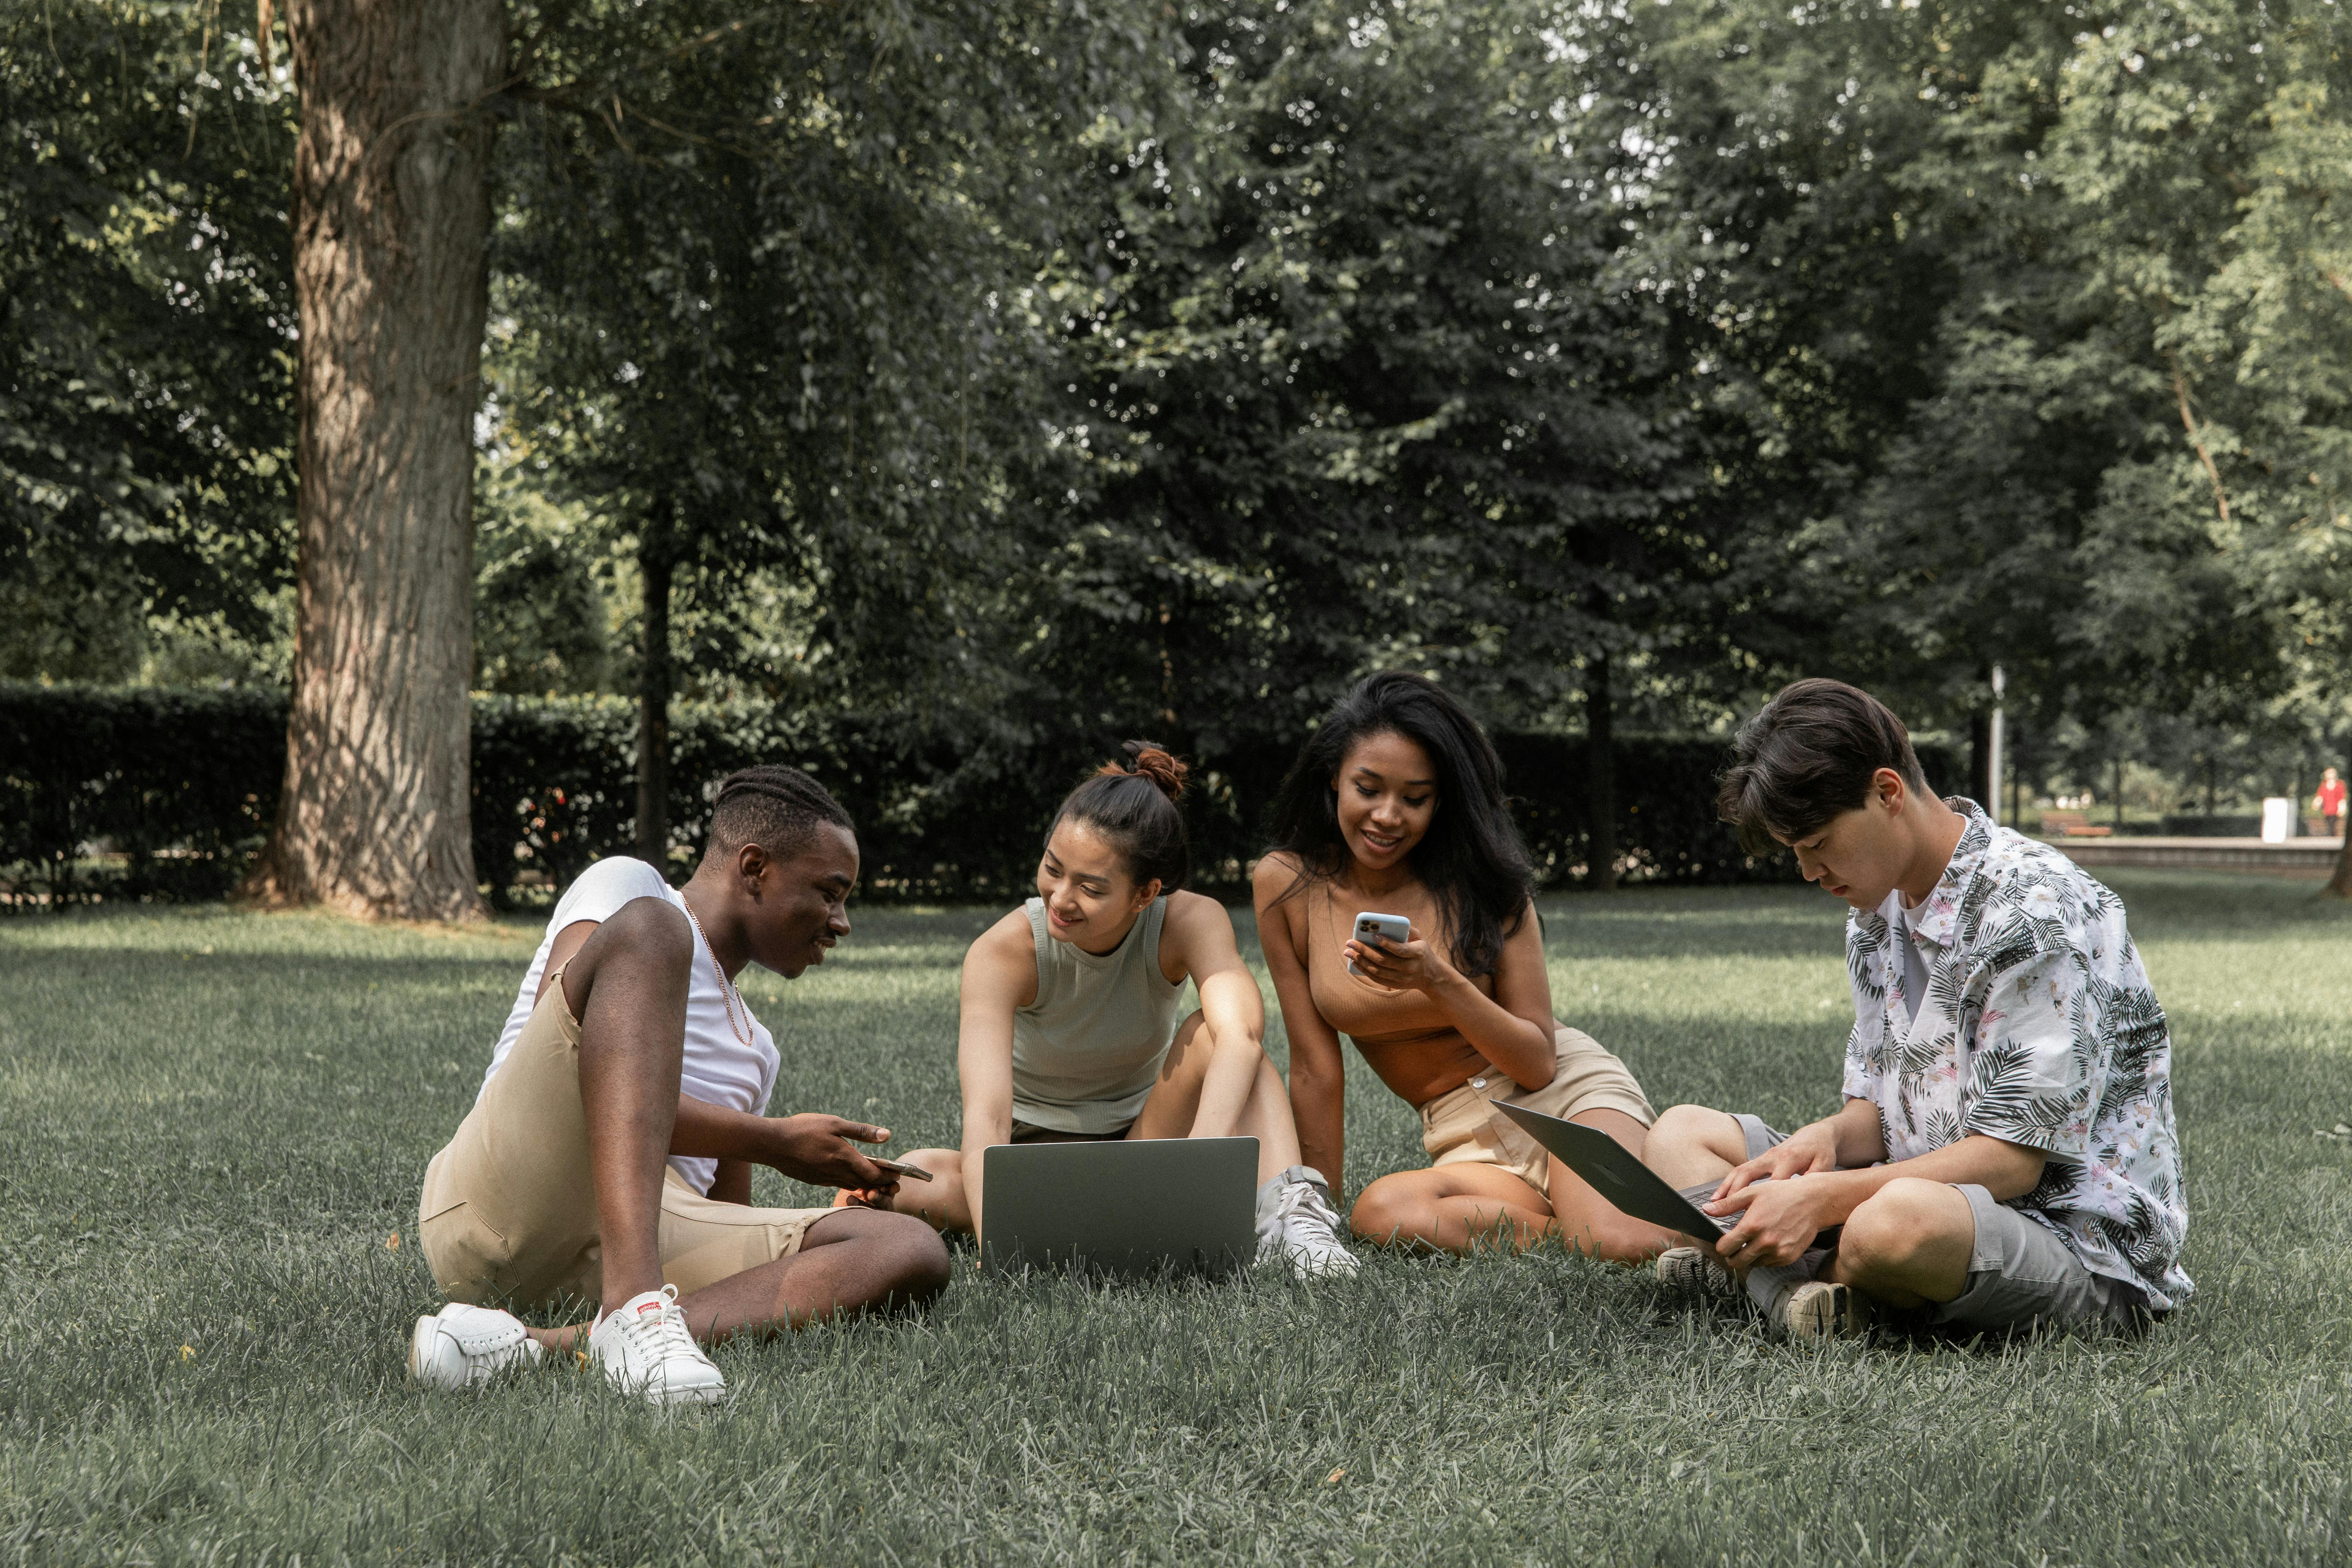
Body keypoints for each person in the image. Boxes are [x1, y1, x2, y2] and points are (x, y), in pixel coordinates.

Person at [1643, 679, 2192, 1339]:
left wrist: (1822, 1199)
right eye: (1797, 854)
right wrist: (1826, 1140)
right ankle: (1800, 1285)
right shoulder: (1875, 910)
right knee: (1679, 1135)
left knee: (1893, 1224)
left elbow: (2012, 1161)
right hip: (1910, 1182)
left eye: (1817, 845)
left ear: (1887, 792)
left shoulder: (2033, 912)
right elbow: (1876, 1109)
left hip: (2068, 1234)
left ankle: (1761, 1271)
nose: (1811, 873)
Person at [406, 766, 952, 1403]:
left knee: (909, 1248)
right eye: (830, 893)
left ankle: (535, 1346)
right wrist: (774, 1142)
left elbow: (729, 1221)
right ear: (754, 868)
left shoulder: (758, 1050)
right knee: (654, 930)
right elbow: (561, 1044)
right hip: (507, 1194)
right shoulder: (632, 891)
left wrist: (818, 1215)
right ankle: (636, 1306)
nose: (842, 921)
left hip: (627, 1247)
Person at [857, 742, 1357, 1278]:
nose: (1060, 897)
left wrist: (1195, 1176)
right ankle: (1119, 1218)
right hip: (1034, 1160)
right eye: (1053, 868)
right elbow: (988, 1115)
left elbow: (1240, 1036)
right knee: (917, 1177)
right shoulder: (1002, 952)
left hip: (1142, 1144)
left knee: (1225, 1041)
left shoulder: (1189, 921)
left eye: (1091, 888)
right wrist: (994, 1245)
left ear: (1146, 894)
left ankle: (1296, 1226)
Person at [1253, 671, 1675, 1260]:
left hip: (1566, 1099)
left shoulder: (1488, 886)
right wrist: (1321, 1216)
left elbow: (1537, 1061)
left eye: (1415, 798)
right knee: (1384, 1213)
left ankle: (1764, 1241)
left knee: (1617, 1238)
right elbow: (1315, 1068)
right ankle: (1580, 1228)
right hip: (1464, 1142)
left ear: (1442, 801)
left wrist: (1438, 980)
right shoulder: (1285, 885)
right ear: (1334, 779)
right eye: (1368, 789)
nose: (1387, 816)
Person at [2314, 766, 2346, 837]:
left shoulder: (2340, 785)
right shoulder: (2324, 786)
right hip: (2327, 810)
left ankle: (2332, 837)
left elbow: (2342, 799)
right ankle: (2331, 837)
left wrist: (2342, 808)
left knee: (2333, 824)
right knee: (2329, 824)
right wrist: (2317, 804)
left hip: (2335, 810)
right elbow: (2320, 797)